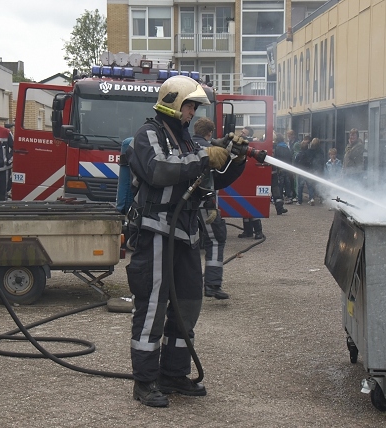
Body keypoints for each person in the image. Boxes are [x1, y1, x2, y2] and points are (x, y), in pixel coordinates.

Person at [124, 75, 246, 407]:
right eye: (190, 105)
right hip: (157, 233)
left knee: (187, 306)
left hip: (186, 233)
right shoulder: (147, 135)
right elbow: (160, 169)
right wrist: (208, 157)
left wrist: (236, 157)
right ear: (174, 103)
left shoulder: (189, 142)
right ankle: (145, 381)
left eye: (194, 107)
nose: (192, 112)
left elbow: (214, 179)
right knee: (152, 309)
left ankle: (173, 375)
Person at [192, 117, 231, 300]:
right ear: (209, 133)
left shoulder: (185, 144)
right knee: (216, 239)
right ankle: (213, 285)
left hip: (182, 203)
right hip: (204, 201)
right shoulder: (211, 151)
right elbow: (220, 174)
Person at [271, 133, 290, 215]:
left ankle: (280, 209)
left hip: (272, 171)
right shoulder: (285, 147)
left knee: (276, 191)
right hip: (275, 171)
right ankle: (279, 209)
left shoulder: (275, 147)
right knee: (277, 191)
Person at [294, 139, 312, 205]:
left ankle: (299, 201)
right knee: (310, 186)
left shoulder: (299, 154)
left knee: (300, 187)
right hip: (308, 171)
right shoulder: (309, 154)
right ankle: (311, 199)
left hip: (301, 172)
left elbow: (296, 163)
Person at [308, 137, 326, 205]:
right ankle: (321, 198)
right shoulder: (321, 151)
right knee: (319, 184)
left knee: (311, 184)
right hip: (319, 170)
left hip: (312, 169)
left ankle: (312, 198)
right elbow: (322, 160)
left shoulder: (310, 150)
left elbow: (309, 160)